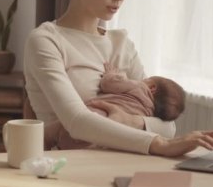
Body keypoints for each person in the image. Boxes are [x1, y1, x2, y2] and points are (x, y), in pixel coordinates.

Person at [24, 0, 213, 157]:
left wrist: (129, 120)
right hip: (65, 167)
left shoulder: (122, 43)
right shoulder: (46, 40)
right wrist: (158, 143)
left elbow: (168, 126)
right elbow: (77, 122)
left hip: (124, 161)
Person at [45, 62, 186, 150]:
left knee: (51, 131)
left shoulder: (138, 86)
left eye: (146, 79)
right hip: (103, 139)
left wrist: (115, 75)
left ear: (152, 87)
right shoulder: (148, 113)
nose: (141, 80)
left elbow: (108, 84)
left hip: (96, 115)